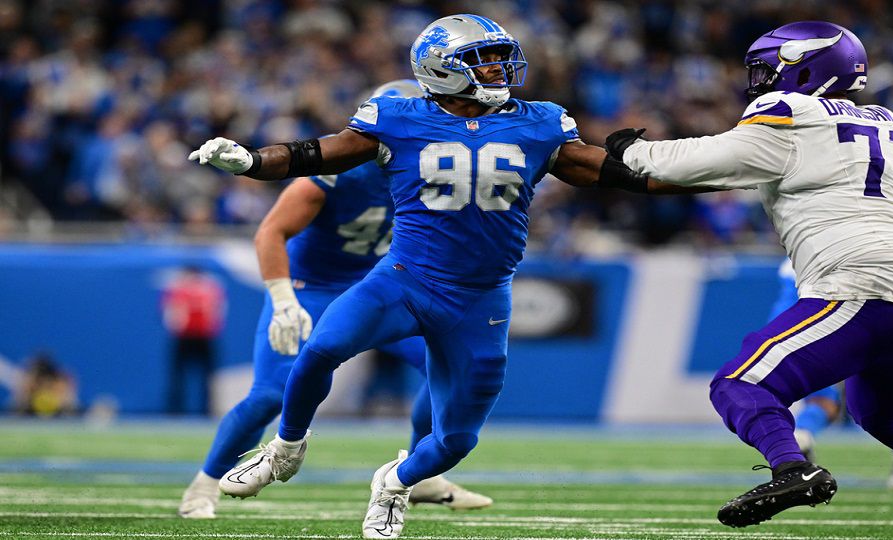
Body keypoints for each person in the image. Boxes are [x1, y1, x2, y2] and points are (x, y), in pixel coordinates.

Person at [189, 14, 686, 538]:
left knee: (456, 442)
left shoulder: (539, 122)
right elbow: (316, 153)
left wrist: (713, 173)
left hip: (481, 299)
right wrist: (250, 161)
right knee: (320, 349)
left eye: (499, 57)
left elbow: (612, 173)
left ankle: (397, 482)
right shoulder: (398, 119)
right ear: (441, 70)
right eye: (483, 59)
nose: (498, 69)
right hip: (405, 280)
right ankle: (285, 450)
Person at [606, 20, 893, 527]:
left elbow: (706, 160)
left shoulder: (790, 111)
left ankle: (792, 468)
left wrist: (632, 152)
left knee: (739, 383)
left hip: (861, 282)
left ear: (806, 69)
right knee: (888, 416)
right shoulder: (884, 122)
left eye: (767, 69)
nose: (759, 81)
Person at [179, 80, 493, 519]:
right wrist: (283, 298)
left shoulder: (441, 166)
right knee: (271, 394)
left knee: (447, 368)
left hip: (380, 287)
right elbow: (272, 230)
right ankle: (204, 483)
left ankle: (421, 475)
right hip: (311, 288)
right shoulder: (340, 170)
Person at [771, 259, 842, 463]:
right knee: (826, 402)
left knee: (819, 398)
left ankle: (797, 442)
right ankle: (797, 443)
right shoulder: (839, 249)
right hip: (812, 319)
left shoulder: (799, 250)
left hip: (779, 322)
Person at [161, 265, 226, 415]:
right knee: (189, 375)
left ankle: (180, 410)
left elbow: (170, 315)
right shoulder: (210, 288)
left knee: (185, 375)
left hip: (193, 336)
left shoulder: (181, 289)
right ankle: (199, 409)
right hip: (198, 336)